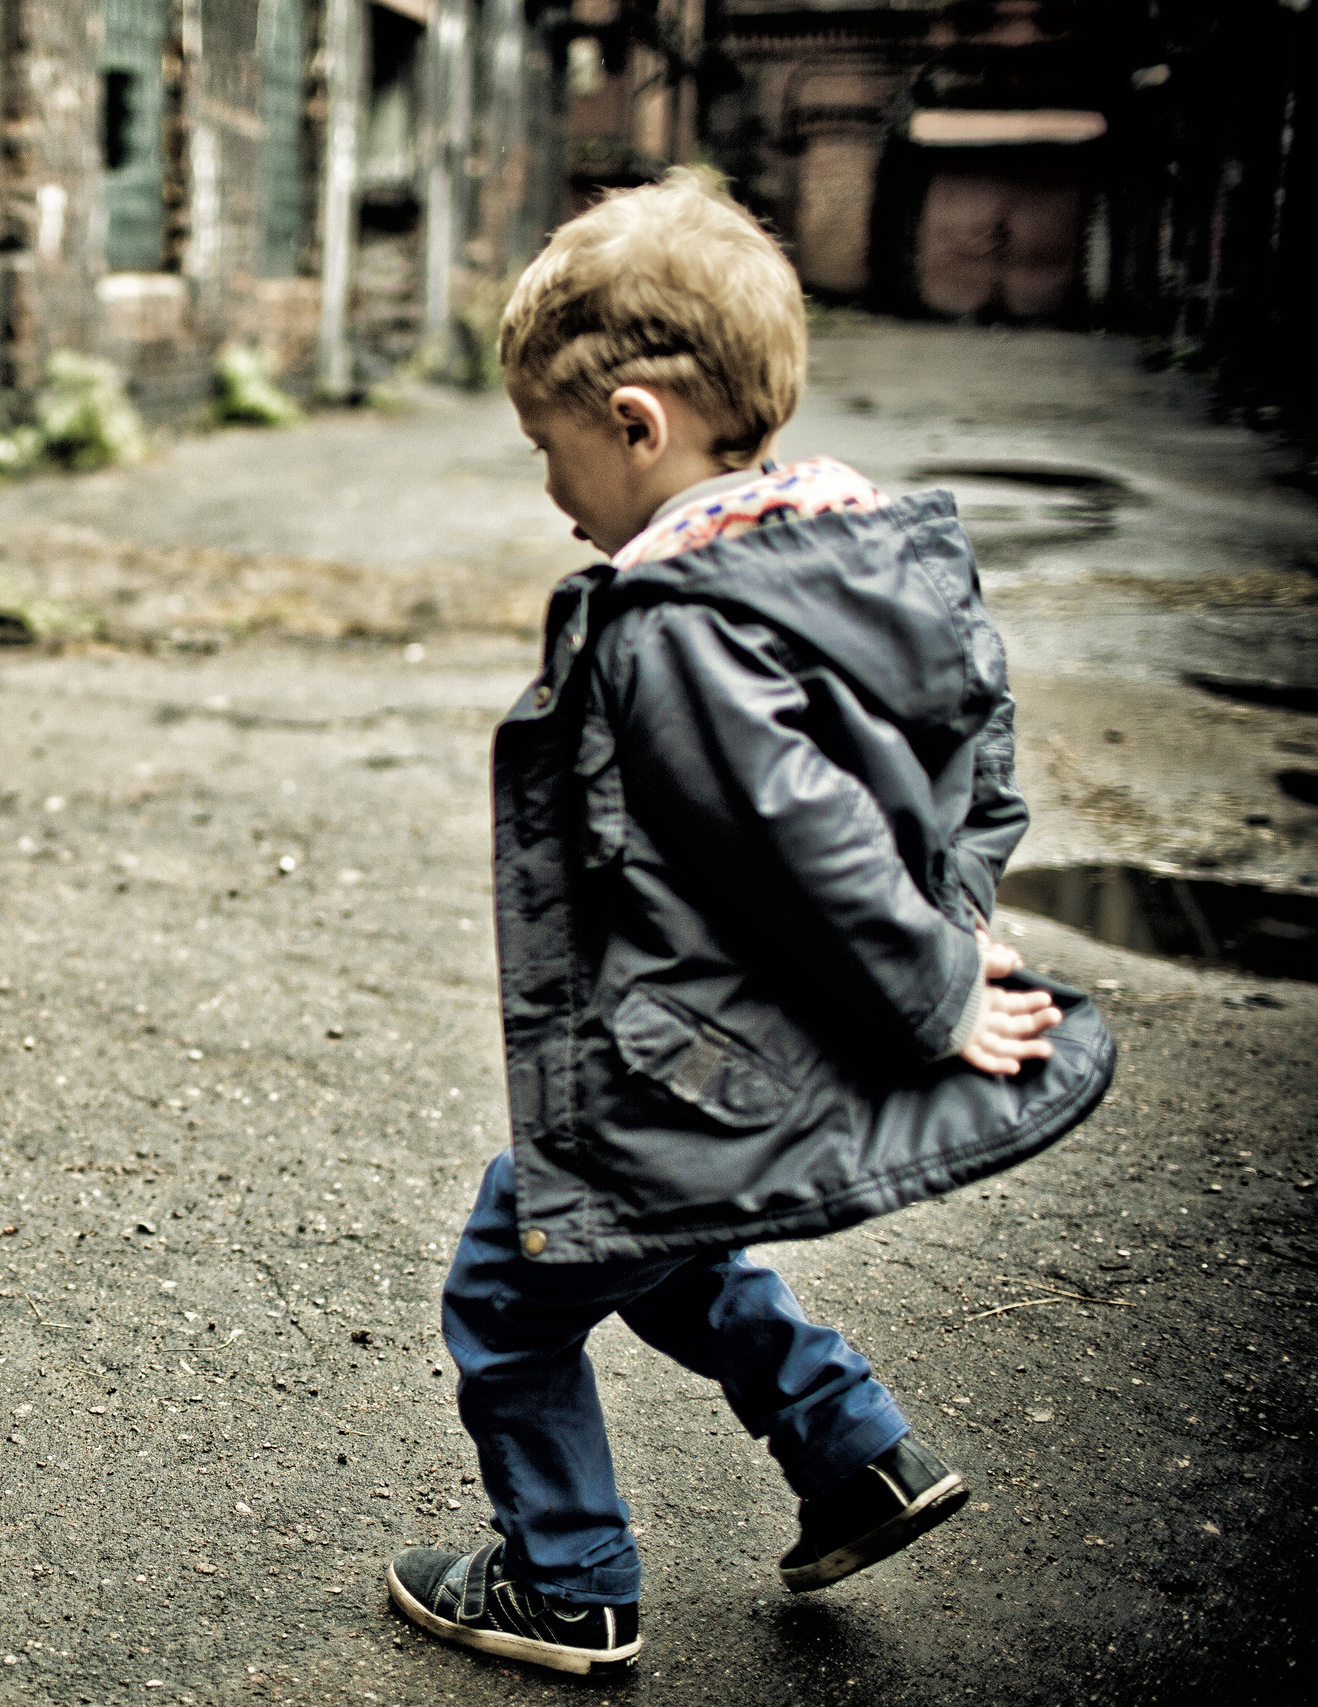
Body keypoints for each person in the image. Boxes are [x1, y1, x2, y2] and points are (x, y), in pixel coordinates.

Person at [384, 170, 1116, 1676]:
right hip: (733, 1043)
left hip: (686, 1049)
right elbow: (971, 761)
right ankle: (856, 1454)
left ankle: (568, 1582)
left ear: (636, 423)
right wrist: (956, 911)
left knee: (509, 1292)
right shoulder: (855, 566)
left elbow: (801, 836)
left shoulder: (680, 629)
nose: (552, 493)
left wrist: (931, 981)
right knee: (662, 1244)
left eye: (550, 449)